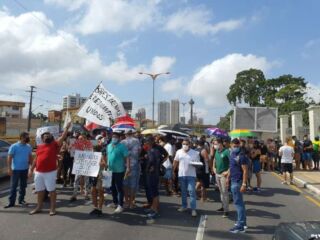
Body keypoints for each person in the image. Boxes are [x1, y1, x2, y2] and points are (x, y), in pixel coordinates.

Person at [29, 122, 71, 215]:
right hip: (39, 172)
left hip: (50, 172)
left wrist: (66, 128)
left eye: (48, 135)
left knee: (52, 191)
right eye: (44, 135)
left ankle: (52, 209)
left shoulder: (55, 144)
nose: (46, 136)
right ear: (42, 138)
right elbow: (36, 159)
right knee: (39, 190)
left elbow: (62, 137)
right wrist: (31, 169)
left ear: (51, 137)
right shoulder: (39, 147)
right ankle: (39, 207)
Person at [4, 132, 33, 208]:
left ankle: (21, 200)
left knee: (23, 186)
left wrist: (31, 168)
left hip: (25, 169)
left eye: (28, 137)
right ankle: (11, 202)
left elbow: (30, 158)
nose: (28, 138)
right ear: (22, 137)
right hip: (15, 170)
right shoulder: (14, 146)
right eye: (26, 137)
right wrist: (9, 168)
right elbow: (9, 157)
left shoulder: (28, 146)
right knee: (13, 186)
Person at [227, 138, 248, 233]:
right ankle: (242, 223)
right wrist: (228, 178)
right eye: (234, 146)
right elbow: (231, 167)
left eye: (237, 146)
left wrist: (244, 184)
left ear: (239, 145)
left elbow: (245, 171)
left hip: (238, 182)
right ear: (231, 145)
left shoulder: (241, 156)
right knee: (240, 203)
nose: (235, 147)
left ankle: (240, 225)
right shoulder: (232, 154)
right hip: (233, 180)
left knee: (238, 204)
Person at [173, 139, 199, 217]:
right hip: (181, 175)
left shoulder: (195, 153)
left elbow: (198, 164)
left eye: (186, 144)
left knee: (191, 191)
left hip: (191, 175)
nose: (185, 145)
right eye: (183, 144)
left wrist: (195, 165)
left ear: (190, 145)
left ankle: (193, 209)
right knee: (183, 192)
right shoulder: (178, 152)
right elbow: (175, 161)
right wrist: (173, 171)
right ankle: (184, 206)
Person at [106, 132, 129, 213]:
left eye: (115, 137)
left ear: (119, 138)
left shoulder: (122, 146)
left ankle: (120, 205)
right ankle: (115, 202)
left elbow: (127, 157)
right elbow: (107, 156)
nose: (114, 138)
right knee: (112, 187)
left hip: (119, 170)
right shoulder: (108, 146)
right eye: (113, 137)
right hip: (110, 170)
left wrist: (128, 168)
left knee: (119, 188)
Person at [70, 132, 93, 202]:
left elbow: (92, 152)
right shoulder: (76, 143)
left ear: (85, 138)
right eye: (79, 138)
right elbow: (71, 150)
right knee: (76, 179)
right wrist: (70, 148)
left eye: (82, 138)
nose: (80, 139)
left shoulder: (89, 143)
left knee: (87, 180)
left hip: (86, 163)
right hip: (78, 163)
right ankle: (74, 195)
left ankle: (86, 195)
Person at [121, 130, 141, 209]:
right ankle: (132, 202)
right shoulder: (136, 141)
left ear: (125, 134)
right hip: (134, 165)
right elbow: (139, 151)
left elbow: (121, 154)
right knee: (133, 184)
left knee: (125, 183)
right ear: (132, 134)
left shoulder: (122, 142)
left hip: (124, 165)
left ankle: (126, 201)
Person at [145, 136, 162, 220]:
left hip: (152, 174)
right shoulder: (155, 150)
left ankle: (154, 209)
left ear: (150, 142)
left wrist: (149, 168)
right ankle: (154, 208)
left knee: (154, 192)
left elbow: (151, 161)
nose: (146, 143)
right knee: (154, 191)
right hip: (155, 173)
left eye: (147, 141)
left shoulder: (152, 150)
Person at [89, 135, 106, 216]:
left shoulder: (101, 155)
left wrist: (100, 163)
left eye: (93, 149)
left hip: (99, 176)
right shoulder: (90, 156)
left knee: (100, 192)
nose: (92, 150)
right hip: (93, 175)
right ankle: (95, 207)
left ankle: (100, 208)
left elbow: (105, 164)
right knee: (93, 191)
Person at [213, 138, 230, 217]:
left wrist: (227, 171)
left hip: (224, 175)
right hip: (217, 174)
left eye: (215, 144)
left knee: (225, 192)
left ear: (220, 144)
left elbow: (232, 162)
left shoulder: (226, 151)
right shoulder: (217, 151)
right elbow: (215, 159)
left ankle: (226, 210)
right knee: (221, 192)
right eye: (214, 144)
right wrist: (213, 167)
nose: (214, 145)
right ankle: (223, 207)